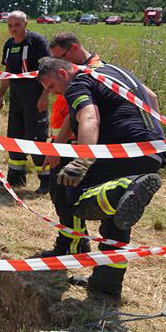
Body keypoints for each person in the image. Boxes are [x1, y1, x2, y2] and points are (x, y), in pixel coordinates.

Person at [37, 57, 165, 298]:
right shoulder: (113, 70)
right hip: (154, 148)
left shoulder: (78, 84)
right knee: (120, 215)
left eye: (52, 87)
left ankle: (125, 187)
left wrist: (82, 160)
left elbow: (89, 118)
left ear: (63, 74)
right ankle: (107, 283)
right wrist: (153, 140)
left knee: (75, 196)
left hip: (123, 148)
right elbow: (153, 97)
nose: (53, 94)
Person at [38, 33, 103, 258]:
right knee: (60, 196)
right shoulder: (74, 74)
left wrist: (59, 146)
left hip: (76, 146)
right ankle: (69, 242)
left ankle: (74, 250)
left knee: (70, 197)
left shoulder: (92, 72)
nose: (60, 64)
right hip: (64, 142)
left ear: (73, 49)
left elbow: (80, 116)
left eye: (61, 58)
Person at [0, 11, 52, 193]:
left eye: (17, 25)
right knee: (14, 137)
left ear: (26, 24)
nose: (13, 29)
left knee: (36, 138)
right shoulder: (9, 45)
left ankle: (47, 181)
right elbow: (7, 73)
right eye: (10, 26)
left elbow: (50, 71)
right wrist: (0, 95)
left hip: (35, 97)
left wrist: (45, 95)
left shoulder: (37, 41)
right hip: (16, 98)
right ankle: (16, 179)